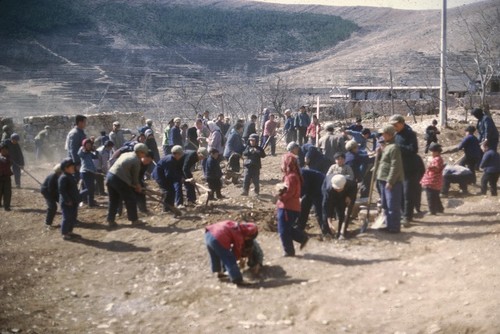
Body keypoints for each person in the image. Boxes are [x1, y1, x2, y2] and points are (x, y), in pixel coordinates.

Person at [106, 143, 149, 227]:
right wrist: (138, 186)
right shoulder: (136, 161)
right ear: (140, 152)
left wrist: (135, 185)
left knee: (113, 200)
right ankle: (134, 220)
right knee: (130, 199)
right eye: (144, 153)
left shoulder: (126, 154)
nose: (144, 155)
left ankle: (110, 220)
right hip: (120, 180)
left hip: (110, 176)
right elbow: (135, 178)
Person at [204, 220, 258, 285]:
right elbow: (236, 251)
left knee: (215, 255)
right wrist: (238, 260)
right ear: (248, 234)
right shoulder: (239, 234)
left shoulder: (235, 225)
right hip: (218, 238)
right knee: (229, 258)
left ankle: (219, 273)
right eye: (249, 238)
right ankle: (237, 279)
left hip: (208, 234)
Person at [276, 150, 309, 256]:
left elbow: (290, 192)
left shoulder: (291, 177)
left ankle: (289, 251)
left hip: (287, 207)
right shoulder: (293, 175)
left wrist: (280, 197)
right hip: (292, 207)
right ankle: (302, 238)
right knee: (287, 228)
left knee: (283, 231)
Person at [389, 114, 419, 227]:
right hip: (399, 168)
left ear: (402, 123)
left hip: (410, 168)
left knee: (407, 193)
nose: (394, 127)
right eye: (392, 125)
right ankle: (402, 214)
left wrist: (398, 147)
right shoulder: (395, 134)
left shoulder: (410, 134)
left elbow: (413, 150)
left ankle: (407, 216)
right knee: (399, 193)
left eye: (395, 125)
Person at [376, 125, 404, 233]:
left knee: (392, 204)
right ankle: (388, 225)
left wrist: (391, 181)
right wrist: (379, 153)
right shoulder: (387, 146)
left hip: (391, 181)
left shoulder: (394, 148)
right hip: (383, 179)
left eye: (384, 134)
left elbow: (395, 165)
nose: (382, 136)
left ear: (390, 134)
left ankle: (395, 227)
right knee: (385, 204)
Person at [321, 174, 357, 239]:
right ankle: (327, 232)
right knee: (328, 210)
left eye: (339, 189)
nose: (337, 190)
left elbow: (354, 189)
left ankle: (342, 231)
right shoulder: (328, 189)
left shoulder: (350, 183)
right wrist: (329, 223)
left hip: (344, 194)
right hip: (330, 194)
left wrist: (349, 196)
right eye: (336, 188)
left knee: (342, 210)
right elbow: (326, 206)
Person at [152, 145, 185, 213]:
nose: (181, 156)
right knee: (167, 192)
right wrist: (179, 179)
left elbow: (175, 171)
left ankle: (170, 207)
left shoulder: (174, 159)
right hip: (160, 176)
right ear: (176, 154)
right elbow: (169, 175)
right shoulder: (169, 161)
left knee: (172, 191)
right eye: (180, 154)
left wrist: (181, 177)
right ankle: (166, 209)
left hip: (164, 176)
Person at [58, 158, 81, 240]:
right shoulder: (63, 178)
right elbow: (62, 190)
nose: (73, 167)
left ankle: (70, 231)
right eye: (71, 166)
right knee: (67, 217)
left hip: (73, 201)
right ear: (66, 168)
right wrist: (67, 200)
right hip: (67, 202)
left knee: (72, 217)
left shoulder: (71, 176)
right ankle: (64, 233)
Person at [297, 168, 325, 232]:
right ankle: (300, 228)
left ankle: (326, 231)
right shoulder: (296, 174)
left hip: (319, 189)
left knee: (318, 211)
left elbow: (304, 187)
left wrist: (297, 196)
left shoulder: (302, 174)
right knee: (303, 208)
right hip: (310, 189)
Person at [420, 143, 445, 215]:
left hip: (432, 180)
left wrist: (429, 165)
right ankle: (440, 208)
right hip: (435, 180)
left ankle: (432, 210)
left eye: (432, 151)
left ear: (437, 152)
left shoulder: (437, 159)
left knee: (430, 196)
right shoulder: (438, 158)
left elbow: (437, 169)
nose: (431, 153)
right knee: (435, 195)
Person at [78, 138, 99, 207]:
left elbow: (96, 156)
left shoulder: (89, 153)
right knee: (90, 188)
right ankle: (77, 197)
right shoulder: (83, 152)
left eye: (90, 145)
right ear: (84, 145)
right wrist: (82, 147)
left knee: (90, 188)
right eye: (87, 144)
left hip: (91, 172)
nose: (89, 146)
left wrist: (95, 150)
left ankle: (90, 203)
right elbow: (79, 154)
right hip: (85, 172)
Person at [41, 164, 62, 229]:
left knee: (65, 204)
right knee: (52, 207)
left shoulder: (61, 176)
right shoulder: (52, 177)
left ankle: (72, 219)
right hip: (47, 192)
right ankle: (48, 223)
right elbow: (51, 190)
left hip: (55, 192)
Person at [0, 142, 13, 211]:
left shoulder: (9, 157)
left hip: (7, 177)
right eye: (3, 149)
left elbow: (10, 163)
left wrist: (8, 160)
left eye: (6, 149)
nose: (4, 151)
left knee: (7, 192)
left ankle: (7, 206)